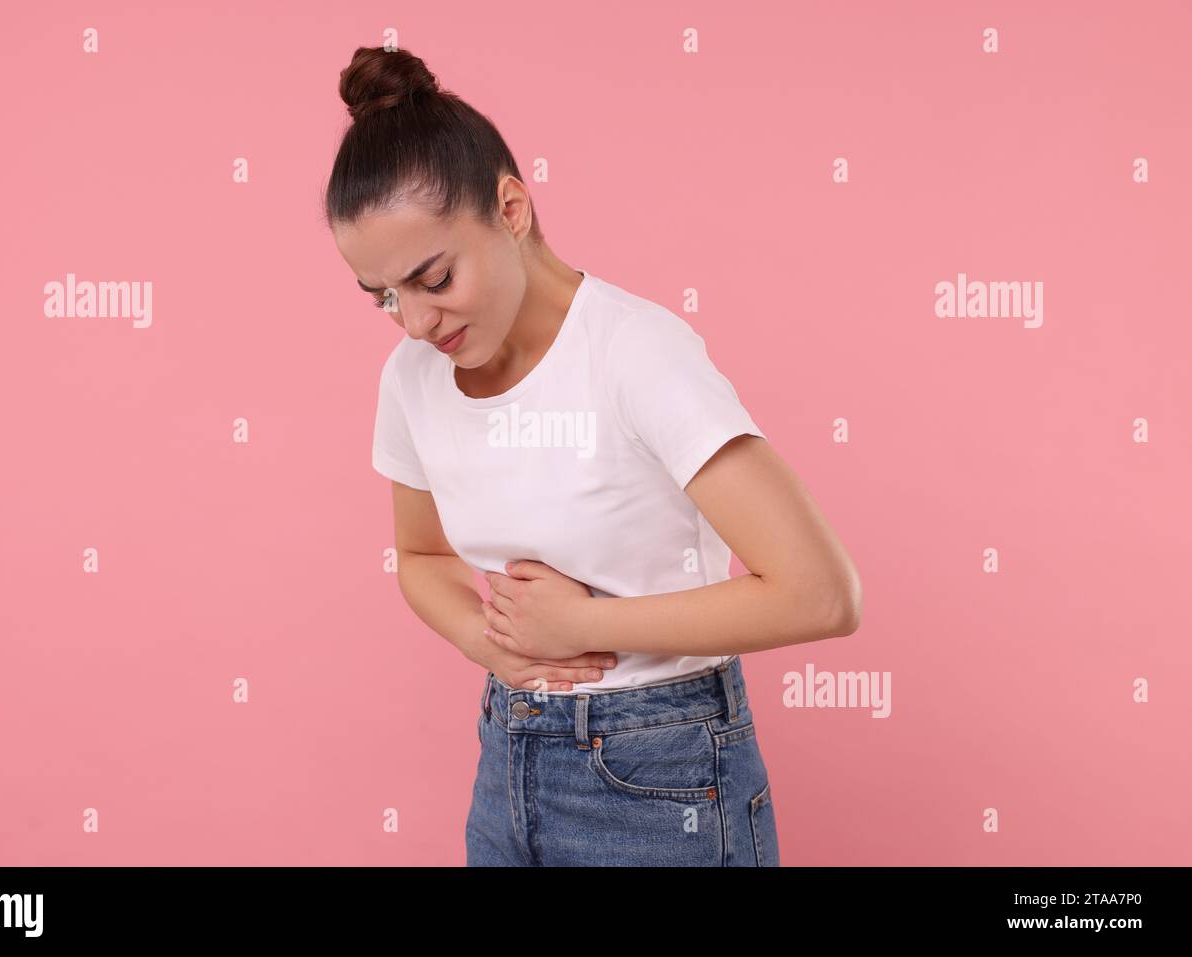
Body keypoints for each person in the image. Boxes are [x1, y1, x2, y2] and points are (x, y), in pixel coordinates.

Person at [324, 45, 862, 866]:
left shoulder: (635, 354)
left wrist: (585, 624)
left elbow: (822, 593)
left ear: (510, 207)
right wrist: (486, 640)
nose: (416, 322)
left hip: (664, 772)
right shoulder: (412, 379)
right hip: (508, 760)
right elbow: (422, 553)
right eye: (385, 297)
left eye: (434, 278)